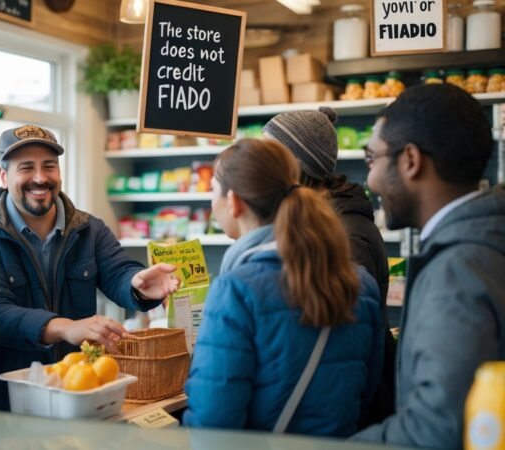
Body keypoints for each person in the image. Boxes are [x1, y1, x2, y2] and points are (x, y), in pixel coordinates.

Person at [0, 125, 180, 410]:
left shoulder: (90, 229)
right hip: (6, 404)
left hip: (77, 393)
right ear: (4, 177)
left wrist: (136, 283)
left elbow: (118, 271)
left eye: (49, 166)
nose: (40, 178)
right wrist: (65, 328)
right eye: (26, 168)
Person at [184, 138, 383, 437]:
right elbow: (367, 392)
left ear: (234, 201)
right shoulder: (360, 283)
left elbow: (214, 423)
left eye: (213, 188)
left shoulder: (236, 289)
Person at [353, 85, 505, 448]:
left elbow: (435, 429)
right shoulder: (487, 240)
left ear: (410, 161)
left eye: (371, 158)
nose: (370, 180)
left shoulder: (457, 269)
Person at [263, 107, 394, 426]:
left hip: (348, 417)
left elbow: (339, 346)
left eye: (269, 154)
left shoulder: (344, 235)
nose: (260, 165)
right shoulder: (322, 225)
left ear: (295, 165)